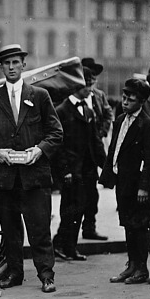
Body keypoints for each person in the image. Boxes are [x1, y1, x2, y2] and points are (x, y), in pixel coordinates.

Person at [0, 44, 63, 294]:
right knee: (11, 229)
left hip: (34, 177)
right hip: (5, 177)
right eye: (7, 63)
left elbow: (56, 132)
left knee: (39, 228)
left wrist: (39, 150)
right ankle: (14, 272)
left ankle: (46, 275)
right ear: (1, 67)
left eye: (16, 62)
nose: (12, 67)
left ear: (24, 65)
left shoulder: (40, 96)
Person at [99, 78, 150, 285]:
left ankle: (141, 268)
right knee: (127, 224)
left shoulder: (146, 125)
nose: (125, 102)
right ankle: (131, 265)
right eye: (123, 98)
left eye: (130, 100)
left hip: (137, 186)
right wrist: (107, 176)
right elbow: (114, 149)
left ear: (141, 102)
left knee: (139, 226)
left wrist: (144, 187)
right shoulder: (121, 119)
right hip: (122, 182)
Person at [52, 67, 106, 261]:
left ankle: (68, 247)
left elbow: (95, 141)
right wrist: (64, 170)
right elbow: (57, 144)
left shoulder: (87, 109)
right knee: (70, 209)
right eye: (87, 84)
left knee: (81, 208)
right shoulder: (62, 111)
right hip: (71, 172)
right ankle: (61, 245)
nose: (91, 88)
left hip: (87, 170)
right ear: (76, 85)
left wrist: (106, 165)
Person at [80, 57, 114, 241]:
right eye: (87, 76)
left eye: (93, 76)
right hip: (79, 152)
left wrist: (100, 132)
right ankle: (67, 237)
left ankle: (89, 228)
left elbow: (108, 113)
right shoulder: (75, 95)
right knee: (76, 196)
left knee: (92, 193)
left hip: (94, 150)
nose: (91, 80)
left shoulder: (99, 95)